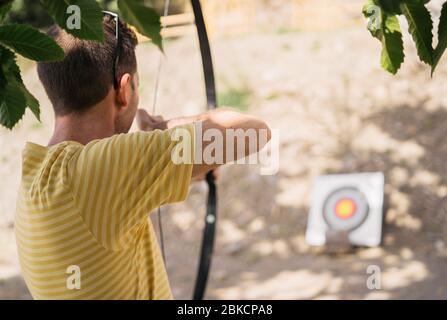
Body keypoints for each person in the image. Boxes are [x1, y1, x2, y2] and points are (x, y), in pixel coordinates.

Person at [15, 15, 271, 299]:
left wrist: (185, 165)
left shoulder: (35, 175)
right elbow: (254, 131)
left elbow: (112, 195)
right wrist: (165, 129)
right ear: (123, 90)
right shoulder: (101, 169)